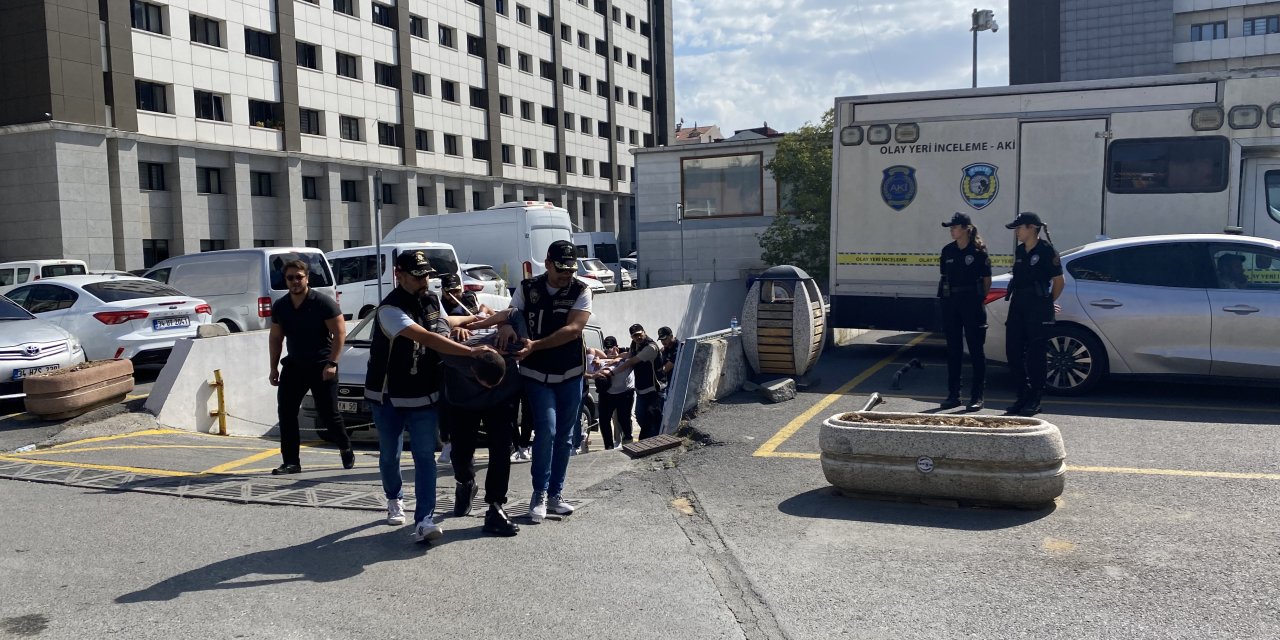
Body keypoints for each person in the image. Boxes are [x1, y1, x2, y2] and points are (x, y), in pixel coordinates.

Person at [366, 250, 492, 544]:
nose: (424, 280)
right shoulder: (389, 309)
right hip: (388, 393)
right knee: (390, 455)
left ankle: (424, 518)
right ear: (399, 274)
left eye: (426, 275)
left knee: (425, 457)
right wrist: (472, 352)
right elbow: (426, 336)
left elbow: (446, 325)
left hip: (423, 390)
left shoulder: (432, 300)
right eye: (417, 275)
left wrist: (482, 319)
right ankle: (394, 496)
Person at [480, 240, 591, 523]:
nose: (567, 275)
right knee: (547, 430)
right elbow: (510, 312)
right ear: (548, 263)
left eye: (571, 270)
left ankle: (556, 494)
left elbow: (574, 329)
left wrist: (536, 345)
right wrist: (503, 325)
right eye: (561, 269)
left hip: (569, 373)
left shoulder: (581, 290)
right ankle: (539, 493)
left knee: (566, 437)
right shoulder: (527, 288)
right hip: (535, 373)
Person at [267, 259, 353, 475]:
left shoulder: (323, 303)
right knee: (286, 413)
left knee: (328, 415)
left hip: (322, 366)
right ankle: (291, 462)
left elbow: (340, 333)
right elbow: (276, 338)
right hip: (294, 366)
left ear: (307, 278)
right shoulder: (281, 306)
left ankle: (345, 446)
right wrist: (273, 368)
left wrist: (332, 363)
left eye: (299, 277)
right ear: (285, 280)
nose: (295, 281)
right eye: (290, 278)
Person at [440, 328, 526, 537]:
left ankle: (495, 506)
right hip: (462, 401)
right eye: (487, 384)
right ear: (473, 371)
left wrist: (506, 324)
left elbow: (515, 312)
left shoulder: (510, 345)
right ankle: (465, 482)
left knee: (501, 449)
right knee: (460, 451)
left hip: (502, 401)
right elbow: (439, 327)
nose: (490, 387)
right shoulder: (452, 355)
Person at [1003, 212, 1064, 417]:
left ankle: (1035, 398)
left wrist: (1046, 304)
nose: (1017, 232)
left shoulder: (1047, 251)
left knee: (1036, 355)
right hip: (1018, 305)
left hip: (1037, 308)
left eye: (1019, 228)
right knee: (1012, 351)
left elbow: (1059, 282)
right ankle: (1022, 394)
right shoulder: (1021, 250)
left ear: (1031, 228)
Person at [938, 212, 992, 411]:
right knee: (953, 351)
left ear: (965, 229)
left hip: (971, 303)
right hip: (951, 303)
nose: (951, 230)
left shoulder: (978, 252)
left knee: (976, 350)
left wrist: (977, 300)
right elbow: (944, 278)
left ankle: (977, 396)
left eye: (954, 227)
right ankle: (954, 395)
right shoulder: (947, 251)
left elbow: (987, 281)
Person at [604, 324, 663, 439]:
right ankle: (649, 441)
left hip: (654, 389)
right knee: (640, 416)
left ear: (644, 332)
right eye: (634, 336)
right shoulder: (636, 344)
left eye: (639, 335)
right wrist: (616, 358)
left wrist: (611, 373)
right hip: (641, 390)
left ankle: (652, 442)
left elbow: (631, 361)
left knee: (651, 417)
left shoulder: (651, 347)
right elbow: (629, 354)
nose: (637, 338)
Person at [588, 337, 634, 449]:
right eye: (606, 348)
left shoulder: (622, 364)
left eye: (610, 347)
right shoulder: (596, 366)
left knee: (624, 419)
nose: (608, 350)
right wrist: (608, 357)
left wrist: (616, 356)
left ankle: (628, 439)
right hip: (607, 396)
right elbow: (590, 349)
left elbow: (632, 356)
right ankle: (608, 446)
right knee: (604, 420)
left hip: (624, 393)